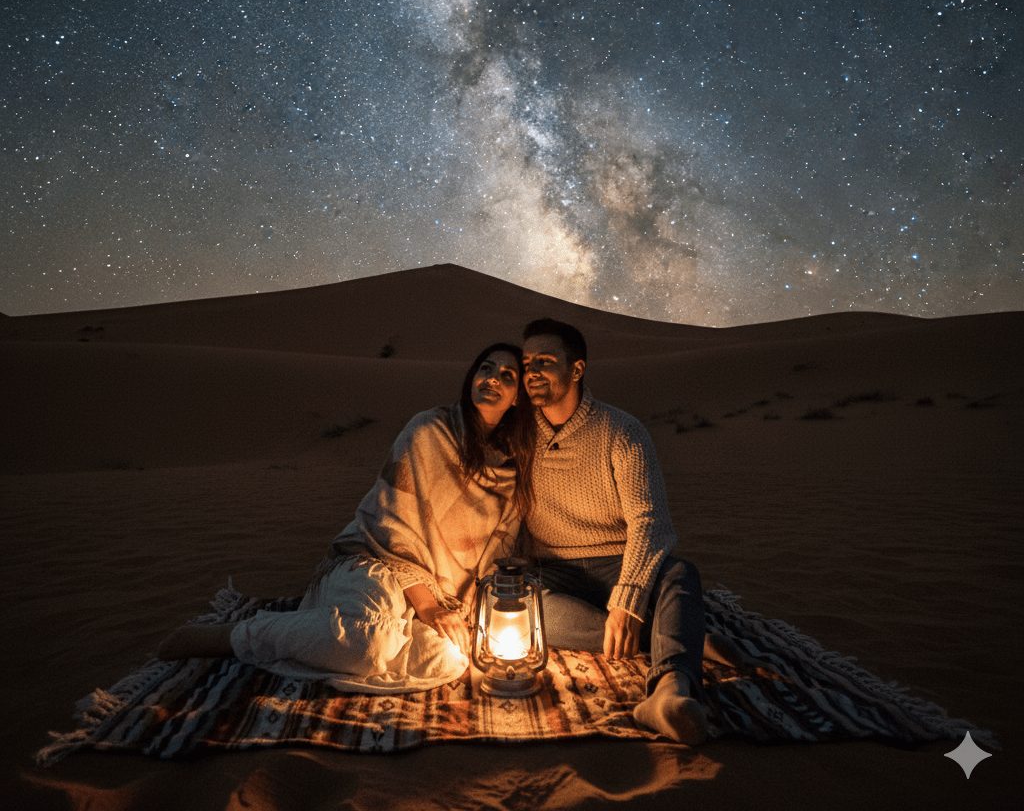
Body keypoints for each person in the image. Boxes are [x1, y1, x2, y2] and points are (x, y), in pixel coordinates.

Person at [157, 343, 534, 693]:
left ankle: (337, 633)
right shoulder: (427, 431)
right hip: (374, 562)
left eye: (506, 376)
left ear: (517, 397)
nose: (492, 379)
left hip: (444, 594)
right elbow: (390, 530)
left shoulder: (510, 467)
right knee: (367, 642)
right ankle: (233, 636)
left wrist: (459, 609)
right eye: (486, 369)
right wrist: (429, 607)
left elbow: (497, 551)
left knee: (449, 659)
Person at [520, 318, 707, 744]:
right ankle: (675, 633)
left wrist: (626, 602)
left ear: (577, 370)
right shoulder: (518, 432)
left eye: (545, 362)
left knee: (680, 575)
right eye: (527, 361)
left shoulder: (622, 431)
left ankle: (670, 693)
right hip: (551, 568)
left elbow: (651, 523)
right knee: (521, 614)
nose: (532, 372)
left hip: (616, 561)